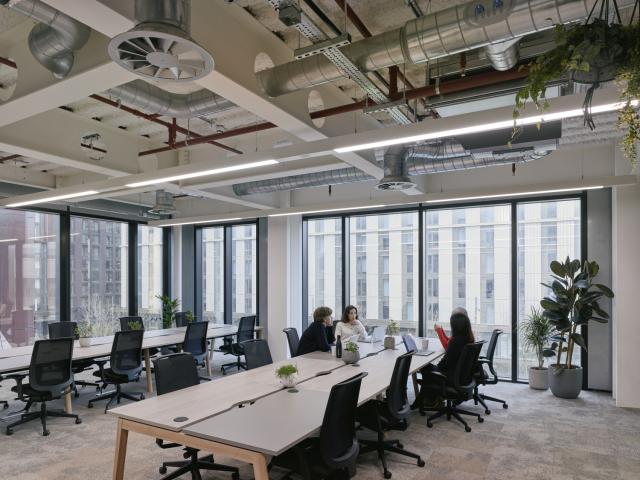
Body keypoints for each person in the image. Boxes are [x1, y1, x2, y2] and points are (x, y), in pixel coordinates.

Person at [412, 307, 476, 409]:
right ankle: (430, 399)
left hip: (453, 377)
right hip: (463, 377)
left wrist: (436, 368)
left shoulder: (455, 341)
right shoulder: (469, 338)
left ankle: (428, 399)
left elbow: (444, 364)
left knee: (425, 367)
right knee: (430, 370)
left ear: (454, 326)